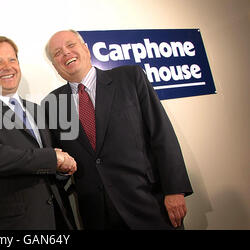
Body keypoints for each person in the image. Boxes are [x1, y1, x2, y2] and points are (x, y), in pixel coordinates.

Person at [42, 30, 193, 230]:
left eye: (71, 45)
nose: (66, 53)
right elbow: (59, 159)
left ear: (86, 48)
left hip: (149, 204)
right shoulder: (51, 104)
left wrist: (175, 190)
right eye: (58, 53)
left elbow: (161, 133)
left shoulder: (130, 77)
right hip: (98, 216)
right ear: (55, 65)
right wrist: (60, 169)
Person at [0, 36, 77, 230]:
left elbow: (47, 164)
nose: (7, 66)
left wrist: (61, 169)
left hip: (58, 220)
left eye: (12, 60)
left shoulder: (37, 110)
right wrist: (53, 158)